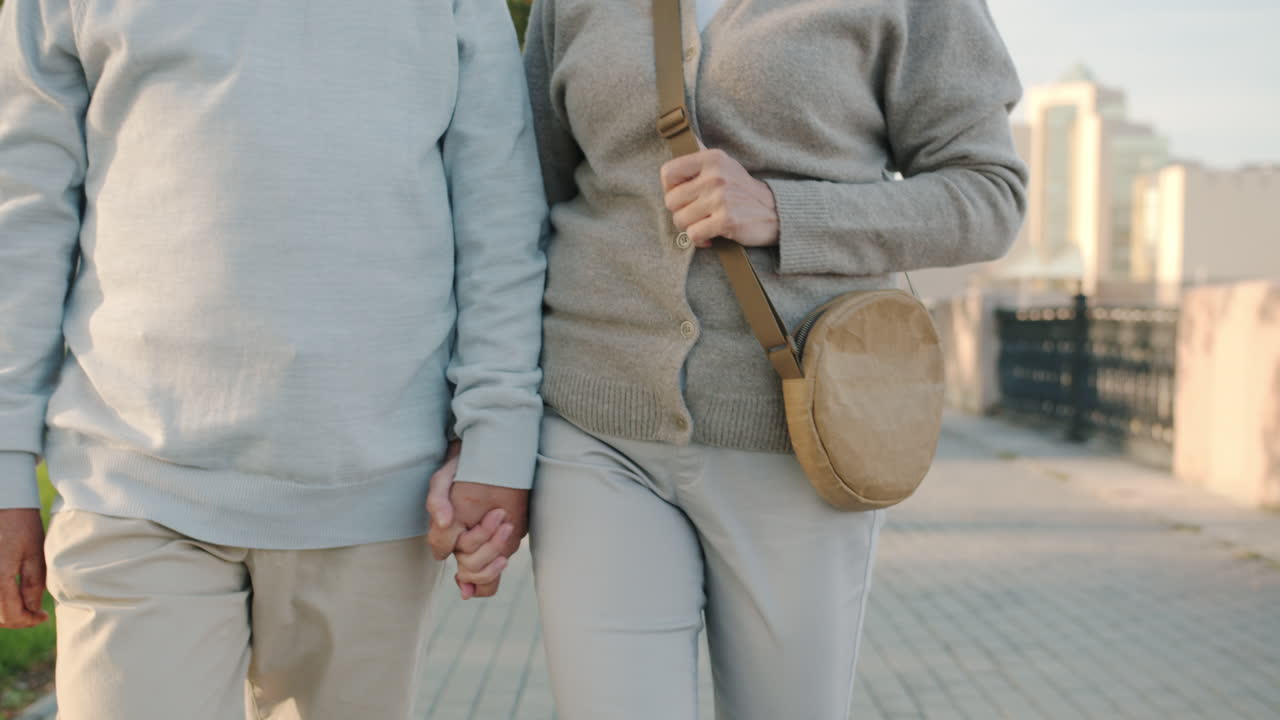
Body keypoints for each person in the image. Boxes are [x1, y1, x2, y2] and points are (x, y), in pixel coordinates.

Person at [0, 0, 545, 717]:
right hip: (132, 482)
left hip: (374, 492)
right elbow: (24, 208)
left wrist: (496, 443)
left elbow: (499, 212)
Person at [517, 0, 1029, 717]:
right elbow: (525, 200)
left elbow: (990, 195)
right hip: (594, 429)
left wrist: (786, 212)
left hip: (799, 438)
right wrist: (486, 433)